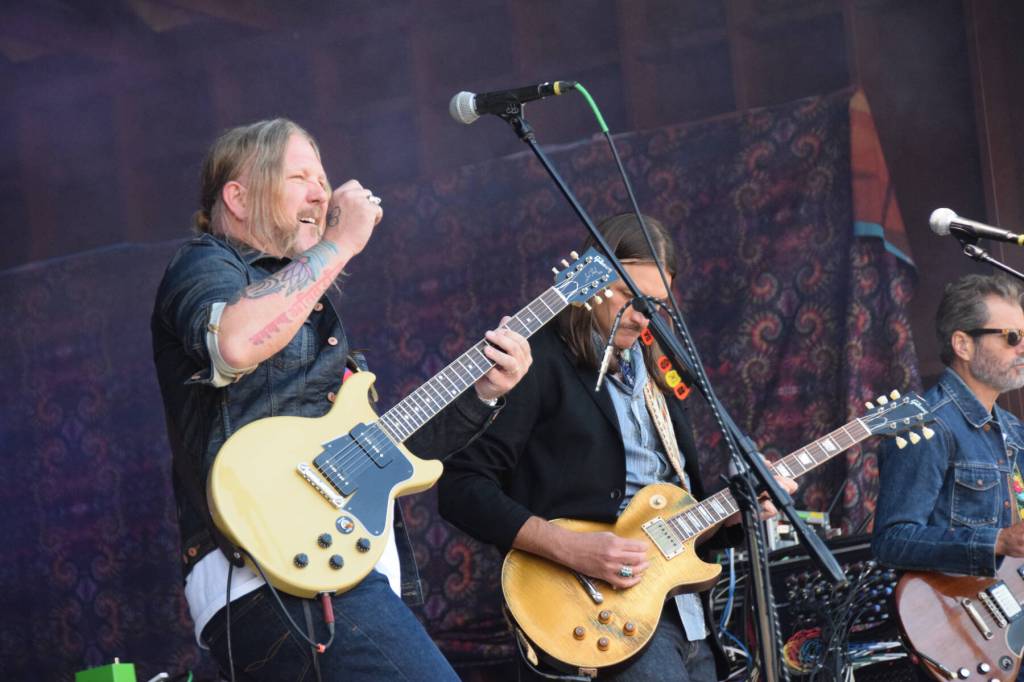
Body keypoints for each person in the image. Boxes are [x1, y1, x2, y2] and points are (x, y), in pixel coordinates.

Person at [151, 118, 532, 681]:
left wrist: (483, 394)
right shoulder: (207, 264)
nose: (320, 192)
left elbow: (396, 454)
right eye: (299, 176)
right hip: (271, 570)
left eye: (322, 179)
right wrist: (342, 241)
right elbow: (234, 342)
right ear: (237, 196)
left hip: (327, 564)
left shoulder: (315, 324)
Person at [438, 213, 798, 681]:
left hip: (684, 614)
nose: (643, 315)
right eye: (630, 297)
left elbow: (669, 515)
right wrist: (572, 548)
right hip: (592, 610)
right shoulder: (539, 360)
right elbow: (462, 488)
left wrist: (730, 516)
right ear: (590, 282)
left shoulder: (659, 373)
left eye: (656, 303)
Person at [873, 274, 1024, 678]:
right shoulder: (928, 427)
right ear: (963, 344)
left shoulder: (1013, 430)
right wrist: (997, 540)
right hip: (961, 629)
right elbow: (892, 541)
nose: (1023, 348)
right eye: (1012, 336)